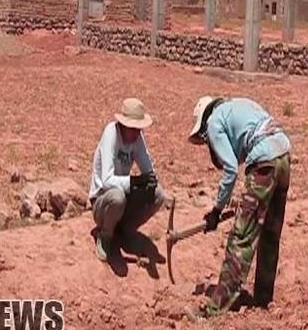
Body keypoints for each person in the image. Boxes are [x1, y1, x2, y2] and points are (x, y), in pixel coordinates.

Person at [188, 96, 291, 317]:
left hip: (264, 163)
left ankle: (219, 307)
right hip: (283, 156)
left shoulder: (214, 122)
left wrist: (216, 211)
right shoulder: (238, 105)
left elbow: (231, 170)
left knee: (241, 236)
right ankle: (264, 299)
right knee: (269, 236)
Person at [89, 98, 165, 262]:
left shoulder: (137, 137)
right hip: (103, 201)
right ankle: (106, 236)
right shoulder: (111, 134)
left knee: (159, 195)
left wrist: (149, 180)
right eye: (133, 128)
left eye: (139, 129)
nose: (137, 133)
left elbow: (148, 168)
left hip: (122, 197)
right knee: (117, 196)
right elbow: (107, 180)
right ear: (123, 125)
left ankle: (126, 230)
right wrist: (134, 182)